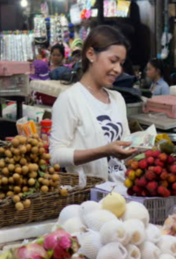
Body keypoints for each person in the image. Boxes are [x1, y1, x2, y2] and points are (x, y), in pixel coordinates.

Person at [50, 25, 138, 182]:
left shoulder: (117, 98)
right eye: (113, 61)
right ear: (91, 54)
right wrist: (103, 151)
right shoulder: (70, 99)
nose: (118, 69)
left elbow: (124, 144)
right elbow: (56, 156)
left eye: (121, 63)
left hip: (122, 190)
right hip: (89, 197)